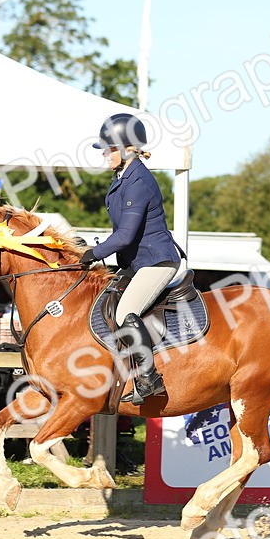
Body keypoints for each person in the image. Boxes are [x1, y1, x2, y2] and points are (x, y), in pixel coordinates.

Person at [79, 113, 184, 403]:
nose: (104, 155)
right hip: (134, 264)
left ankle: (149, 379)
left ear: (127, 149)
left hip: (156, 262)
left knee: (126, 310)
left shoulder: (139, 180)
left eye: (109, 149)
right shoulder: (122, 177)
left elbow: (125, 236)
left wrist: (93, 253)